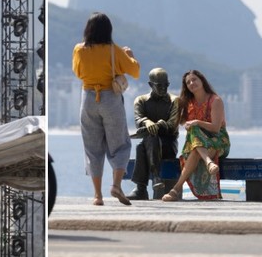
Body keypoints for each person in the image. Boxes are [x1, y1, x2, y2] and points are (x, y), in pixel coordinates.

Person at [72, 12, 141, 206]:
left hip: (88, 99)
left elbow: (78, 72)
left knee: (92, 148)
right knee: (120, 143)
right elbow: (135, 72)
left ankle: (97, 196)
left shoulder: (79, 50)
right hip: (110, 98)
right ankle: (116, 185)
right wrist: (130, 57)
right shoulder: (114, 50)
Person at [162, 70, 230, 201]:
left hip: (218, 141)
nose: (191, 83)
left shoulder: (215, 100)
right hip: (199, 145)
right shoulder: (188, 103)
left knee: (195, 132)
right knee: (195, 145)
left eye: (194, 80)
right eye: (188, 82)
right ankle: (208, 162)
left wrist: (197, 122)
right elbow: (178, 121)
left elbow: (216, 128)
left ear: (202, 81)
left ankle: (175, 189)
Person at [127, 68, 179, 200]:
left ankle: (141, 188)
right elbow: (138, 120)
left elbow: (172, 126)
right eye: (159, 85)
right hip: (150, 144)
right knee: (146, 142)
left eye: (166, 85)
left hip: (168, 144)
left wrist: (158, 124)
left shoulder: (174, 101)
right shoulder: (141, 100)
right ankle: (155, 178)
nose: (163, 88)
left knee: (143, 145)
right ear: (151, 85)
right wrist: (146, 122)